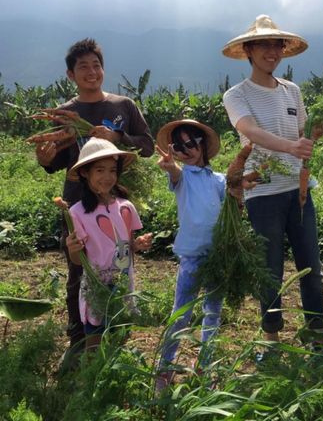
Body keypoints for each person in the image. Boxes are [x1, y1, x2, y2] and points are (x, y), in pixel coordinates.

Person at [34, 38, 155, 355]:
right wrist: (45, 159)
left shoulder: (122, 107)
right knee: (81, 273)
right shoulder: (65, 113)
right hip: (78, 204)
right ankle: (79, 342)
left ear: (103, 69)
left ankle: (116, 336)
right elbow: (58, 161)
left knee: (120, 266)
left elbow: (147, 146)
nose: (91, 71)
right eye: (83, 67)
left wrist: (118, 137)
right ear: (70, 75)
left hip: (117, 203)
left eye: (96, 65)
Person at [221, 14, 323, 350]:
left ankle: (317, 337)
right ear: (249, 51)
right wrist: (292, 146)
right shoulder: (236, 95)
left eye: (276, 45)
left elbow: (302, 134)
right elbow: (250, 130)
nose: (272, 51)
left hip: (299, 192)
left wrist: (315, 133)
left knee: (311, 267)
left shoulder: (292, 91)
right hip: (262, 194)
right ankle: (272, 337)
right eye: (263, 45)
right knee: (270, 270)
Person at [154, 119, 226, 390]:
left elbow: (232, 203)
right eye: (179, 146)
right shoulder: (181, 177)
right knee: (181, 313)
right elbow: (173, 173)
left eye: (192, 143)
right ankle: (165, 367)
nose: (187, 150)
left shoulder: (218, 180)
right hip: (192, 257)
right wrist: (171, 166)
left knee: (213, 312)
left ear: (203, 144)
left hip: (217, 255)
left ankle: (205, 366)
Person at [65, 137, 152, 350]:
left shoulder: (125, 207)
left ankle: (115, 379)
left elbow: (127, 245)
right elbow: (78, 260)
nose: (107, 177)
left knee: (120, 335)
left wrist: (138, 244)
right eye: (100, 170)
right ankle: (92, 379)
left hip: (123, 281)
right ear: (85, 173)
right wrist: (72, 249)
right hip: (96, 286)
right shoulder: (77, 212)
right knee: (94, 341)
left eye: (112, 170)